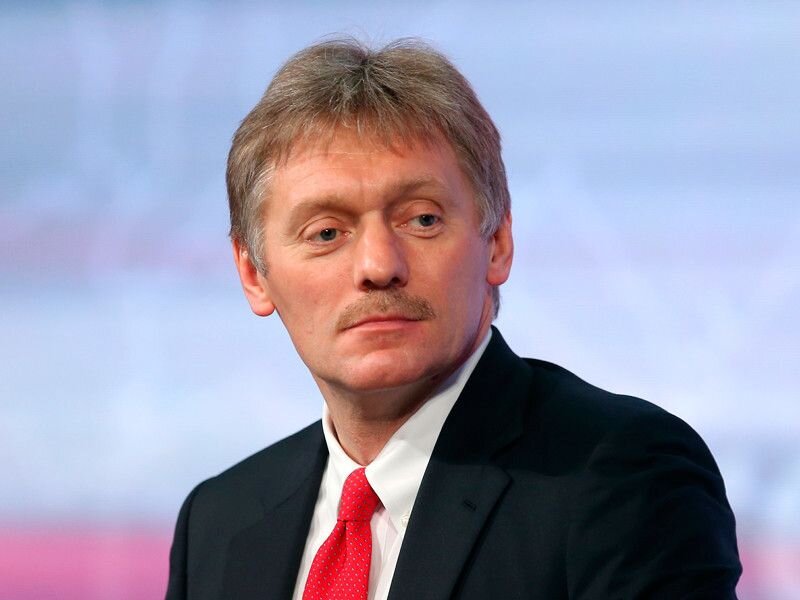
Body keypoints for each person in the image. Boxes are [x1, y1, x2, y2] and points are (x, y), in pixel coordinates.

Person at [165, 38, 741, 600]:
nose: (378, 266)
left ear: (497, 243)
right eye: (326, 233)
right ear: (253, 274)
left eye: (422, 220)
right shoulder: (218, 523)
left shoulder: (620, 477)